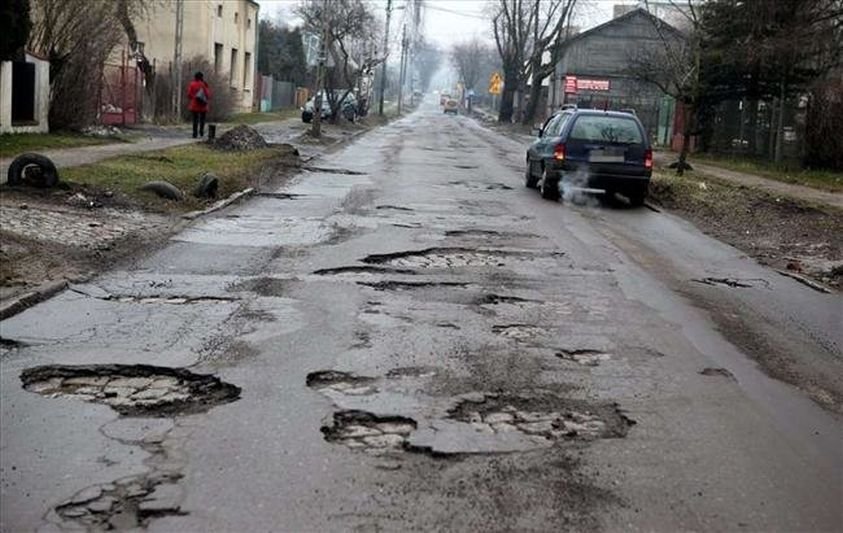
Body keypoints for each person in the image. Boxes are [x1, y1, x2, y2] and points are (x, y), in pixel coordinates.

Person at [187, 71, 211, 138]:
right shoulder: (204, 84)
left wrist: (193, 98)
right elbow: (208, 95)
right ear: (201, 77)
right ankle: (201, 132)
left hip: (194, 104)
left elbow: (189, 94)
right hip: (203, 105)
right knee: (202, 119)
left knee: (195, 120)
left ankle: (194, 133)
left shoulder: (192, 84)